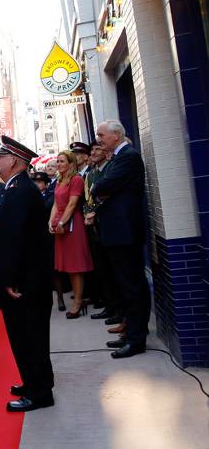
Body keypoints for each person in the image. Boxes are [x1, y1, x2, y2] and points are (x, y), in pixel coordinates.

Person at [0, 135, 54, 412]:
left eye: (0, 157)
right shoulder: (17, 187)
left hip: (25, 281)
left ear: (14, 160)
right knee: (28, 336)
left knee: (29, 336)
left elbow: (17, 240)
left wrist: (11, 278)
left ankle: (39, 394)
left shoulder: (19, 190)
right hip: (27, 278)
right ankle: (35, 382)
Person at [91, 120, 149, 359]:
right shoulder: (118, 157)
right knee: (126, 285)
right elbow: (102, 187)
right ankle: (131, 333)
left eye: (101, 135)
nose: (99, 139)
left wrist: (99, 188)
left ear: (116, 135)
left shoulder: (128, 157)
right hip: (117, 233)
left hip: (124, 233)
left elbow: (102, 184)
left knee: (132, 286)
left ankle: (136, 340)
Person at [49, 150, 94, 318]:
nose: (58, 164)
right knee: (67, 266)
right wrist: (50, 221)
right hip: (60, 224)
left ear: (70, 163)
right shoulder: (59, 180)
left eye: (61, 161)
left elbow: (72, 204)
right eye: (57, 161)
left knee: (76, 266)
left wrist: (62, 222)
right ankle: (78, 298)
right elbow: (55, 203)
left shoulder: (76, 180)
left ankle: (78, 301)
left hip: (73, 225)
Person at [83, 141, 113, 320]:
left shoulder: (111, 169)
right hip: (94, 226)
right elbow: (88, 199)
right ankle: (110, 306)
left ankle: (119, 310)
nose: (93, 152)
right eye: (92, 149)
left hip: (109, 223)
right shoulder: (91, 174)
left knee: (114, 269)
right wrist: (88, 214)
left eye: (98, 149)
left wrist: (95, 212)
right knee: (103, 268)